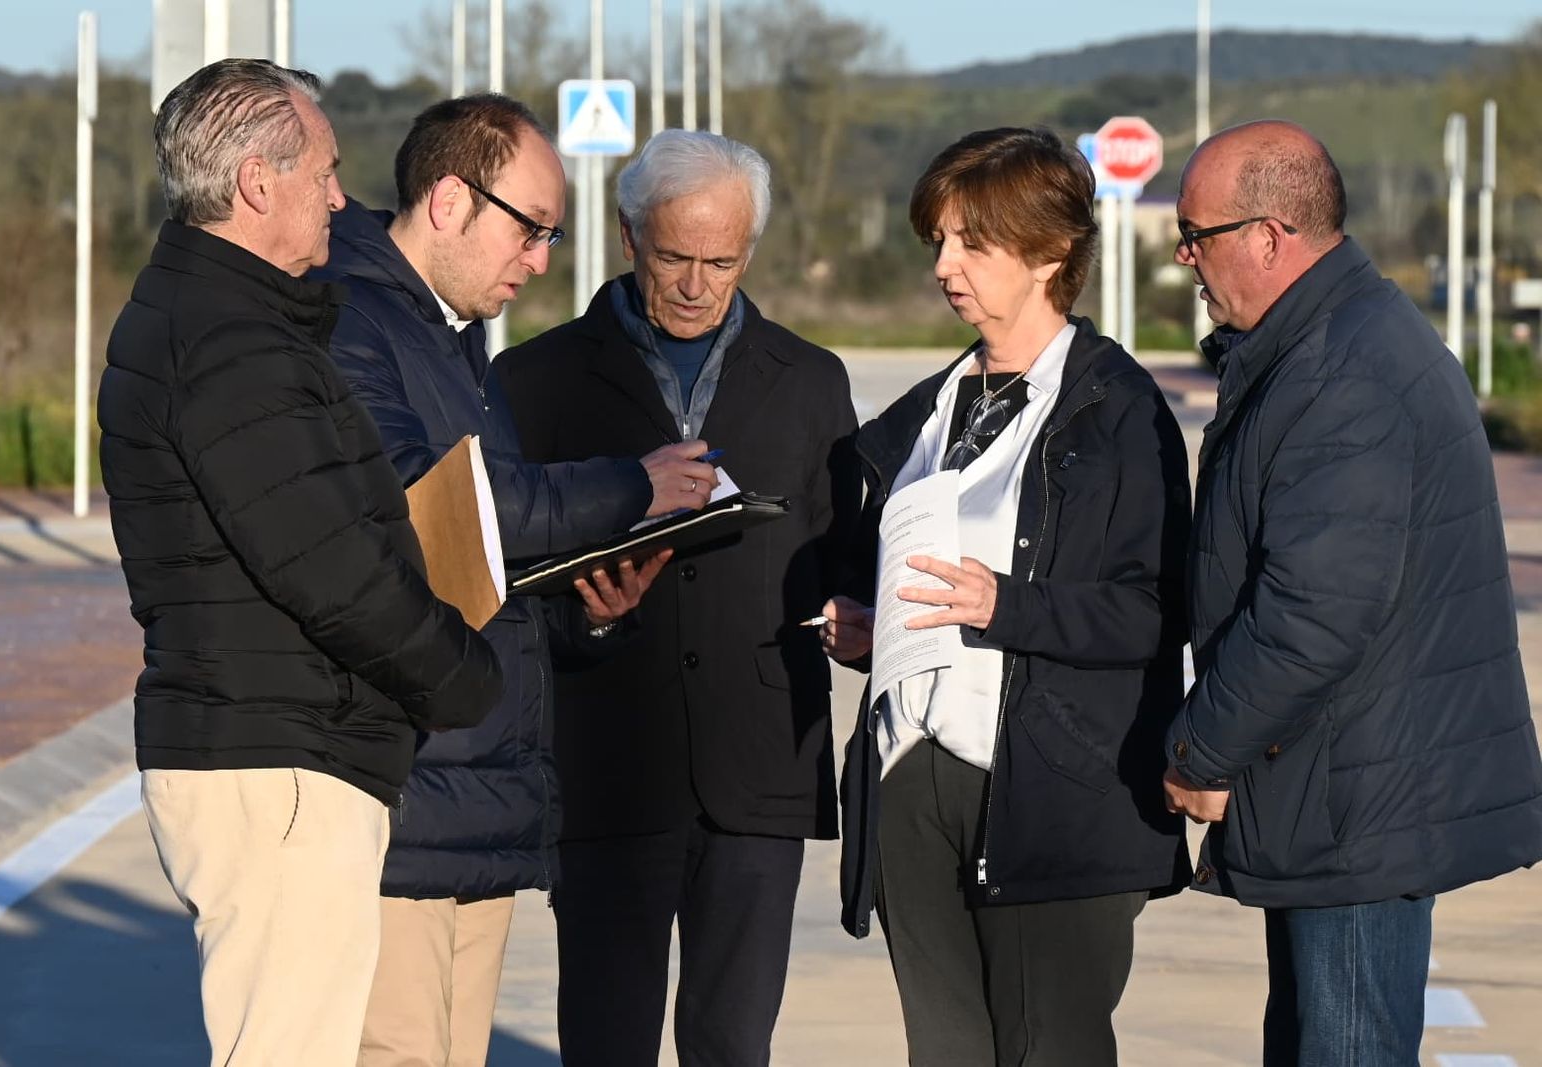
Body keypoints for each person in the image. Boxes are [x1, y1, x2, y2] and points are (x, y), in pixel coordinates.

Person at [98, 59, 503, 1066]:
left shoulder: (218, 319)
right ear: (256, 182)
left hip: (268, 744)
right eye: (323, 168)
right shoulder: (231, 343)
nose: (338, 193)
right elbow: (330, 569)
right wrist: (461, 672)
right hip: (276, 760)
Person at [315, 93, 719, 1067]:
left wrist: (587, 614)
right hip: (401, 795)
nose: (541, 260)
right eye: (530, 227)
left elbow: (475, 562)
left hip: (472, 801)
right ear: (450, 199)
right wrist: (633, 482)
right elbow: (430, 505)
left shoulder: (447, 332)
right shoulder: (350, 318)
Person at [1162, 119, 1542, 1065]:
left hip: (1358, 808)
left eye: (1196, 235)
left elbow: (1312, 615)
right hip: (1341, 786)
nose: (1184, 257)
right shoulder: (1329, 341)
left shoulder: (1343, 371)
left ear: (1267, 236)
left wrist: (1201, 749)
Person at [824, 126, 1192, 1067]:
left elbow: (1152, 614)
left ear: (1051, 253)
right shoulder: (923, 412)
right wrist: (874, 627)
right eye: (938, 241)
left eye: (972, 243)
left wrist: (1007, 604)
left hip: (1054, 794)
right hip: (910, 776)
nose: (946, 265)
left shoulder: (1119, 413)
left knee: (1049, 1052)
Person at [494, 129, 862, 1066]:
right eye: (673, 257)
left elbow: (845, 558)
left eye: (722, 260)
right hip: (607, 764)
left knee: (733, 1042)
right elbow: (499, 584)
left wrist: (859, 621)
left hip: (760, 771)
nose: (697, 284)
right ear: (627, 237)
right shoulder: (533, 382)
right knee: (606, 1040)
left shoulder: (813, 382)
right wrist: (593, 615)